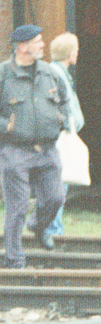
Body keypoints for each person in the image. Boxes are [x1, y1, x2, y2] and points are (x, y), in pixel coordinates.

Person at [0, 25, 70, 267]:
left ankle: (38, 228)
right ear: (22, 47)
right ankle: (15, 259)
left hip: (48, 149)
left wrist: (62, 120)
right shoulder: (3, 75)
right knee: (17, 207)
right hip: (15, 150)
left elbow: (65, 100)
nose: (43, 44)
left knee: (56, 198)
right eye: (38, 41)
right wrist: (6, 127)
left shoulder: (49, 72)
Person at [44, 32, 83, 239]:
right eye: (76, 49)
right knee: (57, 186)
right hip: (60, 139)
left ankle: (53, 228)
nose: (78, 53)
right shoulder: (56, 74)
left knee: (59, 185)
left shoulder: (60, 73)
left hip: (63, 136)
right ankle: (53, 229)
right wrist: (68, 123)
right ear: (69, 53)